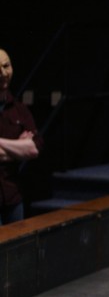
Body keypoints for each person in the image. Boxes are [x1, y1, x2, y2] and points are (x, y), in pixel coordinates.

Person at [0, 48, 43, 225]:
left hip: (13, 196)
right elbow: (25, 150)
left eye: (6, 66)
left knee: (16, 250)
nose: (3, 73)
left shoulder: (19, 110)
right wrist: (18, 147)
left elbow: (33, 149)